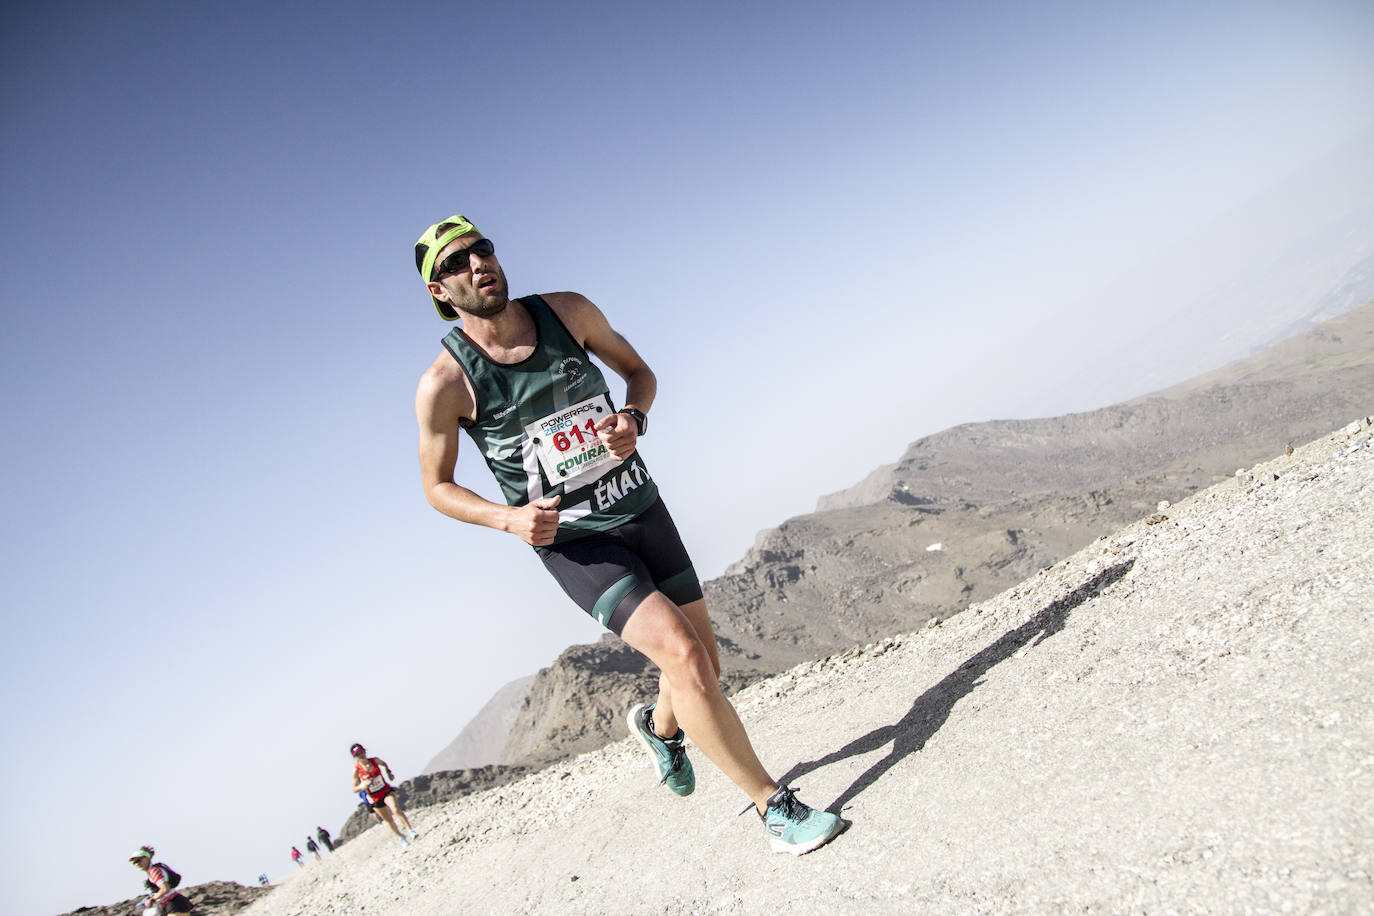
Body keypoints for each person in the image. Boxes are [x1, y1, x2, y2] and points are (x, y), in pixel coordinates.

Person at [411, 215, 844, 855]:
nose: (478, 264)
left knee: (703, 665)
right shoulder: (446, 384)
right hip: (575, 543)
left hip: (640, 505)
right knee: (685, 657)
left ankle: (661, 730)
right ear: (439, 291)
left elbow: (639, 373)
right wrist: (509, 518)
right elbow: (437, 486)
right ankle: (774, 808)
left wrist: (633, 417)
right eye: (456, 263)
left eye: (483, 249)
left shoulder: (568, 312)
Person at [350, 743, 420, 847]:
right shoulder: (356, 771)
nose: (361, 755)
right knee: (389, 820)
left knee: (395, 809)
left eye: (362, 752)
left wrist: (388, 772)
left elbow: (384, 764)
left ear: (365, 751)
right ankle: (401, 837)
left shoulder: (374, 760)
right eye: (358, 754)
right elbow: (354, 789)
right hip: (374, 797)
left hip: (385, 790)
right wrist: (362, 785)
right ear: (355, 757)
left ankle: (410, 830)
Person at [128, 845, 193, 914]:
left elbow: (165, 889)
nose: (137, 864)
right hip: (173, 903)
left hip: (174, 904)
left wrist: (152, 899)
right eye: (134, 863)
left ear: (147, 858)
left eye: (139, 860)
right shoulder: (155, 870)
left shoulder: (154, 871)